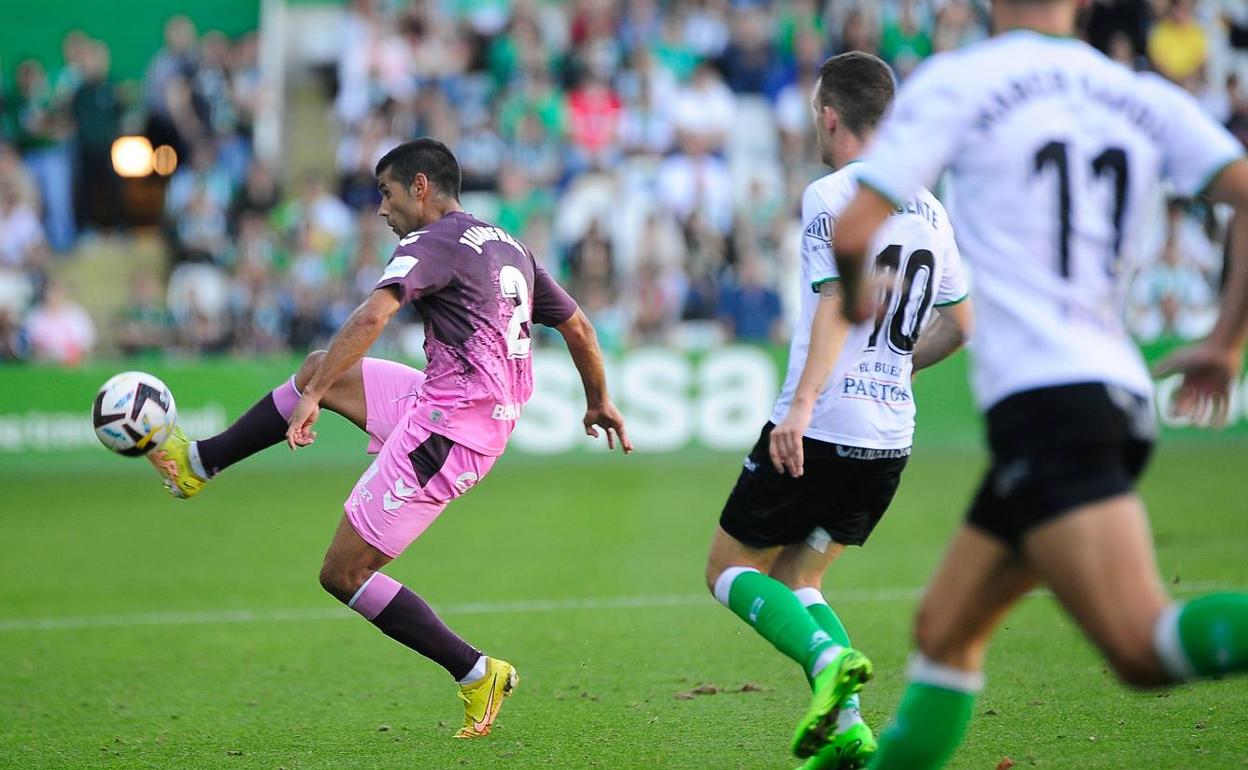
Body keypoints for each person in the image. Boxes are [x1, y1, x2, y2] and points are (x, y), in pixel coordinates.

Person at [825, 2, 1248, 768]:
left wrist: (856, 296)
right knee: (945, 632)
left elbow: (855, 230)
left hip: (1050, 407)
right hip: (1110, 391)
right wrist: (1226, 341)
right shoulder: (1139, 93)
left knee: (1142, 645)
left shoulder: (962, 81)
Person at [146, 138, 632, 739]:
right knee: (321, 365)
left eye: (386, 192)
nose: (382, 208)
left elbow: (374, 316)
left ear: (420, 187)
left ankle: (476, 671)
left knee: (342, 574)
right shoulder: (507, 244)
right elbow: (579, 326)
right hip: (446, 403)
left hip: (448, 436)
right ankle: (200, 461)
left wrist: (316, 399)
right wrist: (598, 400)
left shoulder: (433, 242)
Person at [704, 52, 972, 770]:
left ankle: (827, 664)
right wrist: (897, 366)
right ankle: (849, 726)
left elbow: (833, 301)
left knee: (728, 570)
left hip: (824, 426)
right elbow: (962, 323)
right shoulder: (931, 208)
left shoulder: (832, 194)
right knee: (802, 578)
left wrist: (800, 408)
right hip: (889, 438)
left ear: (830, 117)